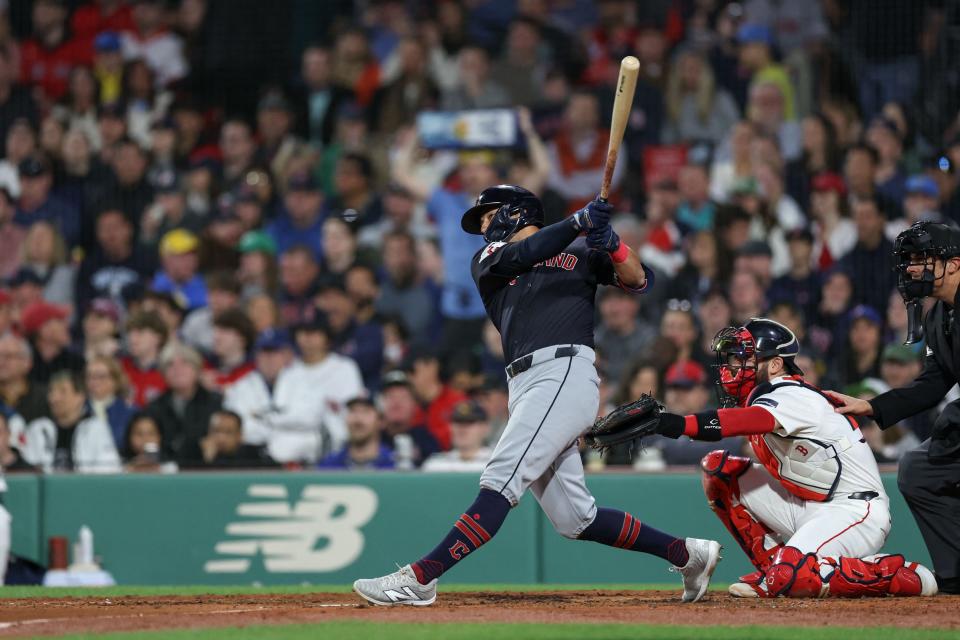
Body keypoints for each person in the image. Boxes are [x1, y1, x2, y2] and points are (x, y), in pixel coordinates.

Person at [354, 187, 720, 606]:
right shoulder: (489, 259)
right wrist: (579, 224)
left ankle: (421, 577)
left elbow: (638, 279)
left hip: (563, 370)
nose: (485, 226)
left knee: (500, 477)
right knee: (576, 519)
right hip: (526, 384)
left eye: (488, 216)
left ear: (516, 211)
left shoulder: (580, 253)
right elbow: (523, 254)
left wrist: (612, 244)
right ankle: (687, 554)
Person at [601, 317, 937, 599]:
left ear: (775, 364)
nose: (735, 367)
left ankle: (896, 573)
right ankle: (774, 569)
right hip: (809, 505)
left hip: (856, 510)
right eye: (733, 358)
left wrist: (673, 423)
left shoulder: (790, 391)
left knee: (792, 578)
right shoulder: (764, 395)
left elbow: (751, 421)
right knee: (720, 469)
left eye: (745, 358)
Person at [825, 221, 960, 595]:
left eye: (922, 258)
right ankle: (955, 576)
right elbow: (933, 382)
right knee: (919, 470)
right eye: (909, 260)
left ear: (954, 264)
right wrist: (871, 406)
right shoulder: (939, 316)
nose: (912, 268)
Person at [223, 329, 328, 464]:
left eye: (274, 353)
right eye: (264, 353)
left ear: (286, 355)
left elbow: (310, 418)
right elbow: (238, 427)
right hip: (252, 458)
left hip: (300, 460)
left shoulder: (305, 380)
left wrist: (265, 418)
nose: (269, 359)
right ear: (256, 356)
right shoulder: (241, 386)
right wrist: (283, 423)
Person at [22, 370, 121, 473]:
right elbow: (27, 470)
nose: (54, 398)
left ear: (80, 397)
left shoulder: (96, 428)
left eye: (62, 391)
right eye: (51, 391)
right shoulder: (38, 428)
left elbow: (109, 470)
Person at [290, 315, 364, 452]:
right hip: (297, 445)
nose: (308, 338)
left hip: (340, 445)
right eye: (303, 332)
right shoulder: (289, 371)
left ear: (327, 338)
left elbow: (353, 411)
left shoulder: (345, 368)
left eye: (314, 333)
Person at [144, 342, 221, 465]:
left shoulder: (216, 403)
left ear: (197, 370)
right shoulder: (154, 407)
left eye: (185, 363)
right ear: (163, 374)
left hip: (206, 471)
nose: (177, 369)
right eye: (170, 365)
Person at [317, 396, 395, 470]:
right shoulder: (329, 465)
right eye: (352, 411)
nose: (358, 419)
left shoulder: (395, 464)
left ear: (381, 421)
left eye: (365, 411)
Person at [422, 400, 493, 472]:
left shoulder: (496, 463)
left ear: (485, 428)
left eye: (469, 422)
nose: (462, 429)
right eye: (457, 422)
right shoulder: (435, 464)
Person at [192, 410, 275, 469]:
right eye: (216, 431)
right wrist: (208, 459)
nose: (221, 438)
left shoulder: (254, 455)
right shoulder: (194, 452)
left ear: (240, 436)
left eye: (228, 432)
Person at [85, 355, 135, 451]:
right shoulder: (78, 410)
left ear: (115, 381)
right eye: (90, 376)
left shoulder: (130, 412)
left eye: (100, 376)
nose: (94, 381)